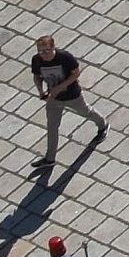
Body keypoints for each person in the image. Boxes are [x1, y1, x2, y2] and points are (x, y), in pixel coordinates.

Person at [29, 35, 92, 164]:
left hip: (72, 95)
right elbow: (37, 76)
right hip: (54, 99)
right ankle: (50, 158)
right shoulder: (36, 60)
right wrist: (41, 91)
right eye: (40, 51)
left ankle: (102, 124)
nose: (43, 54)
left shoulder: (65, 57)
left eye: (46, 51)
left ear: (53, 48)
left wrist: (60, 87)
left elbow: (76, 73)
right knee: (52, 127)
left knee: (86, 112)